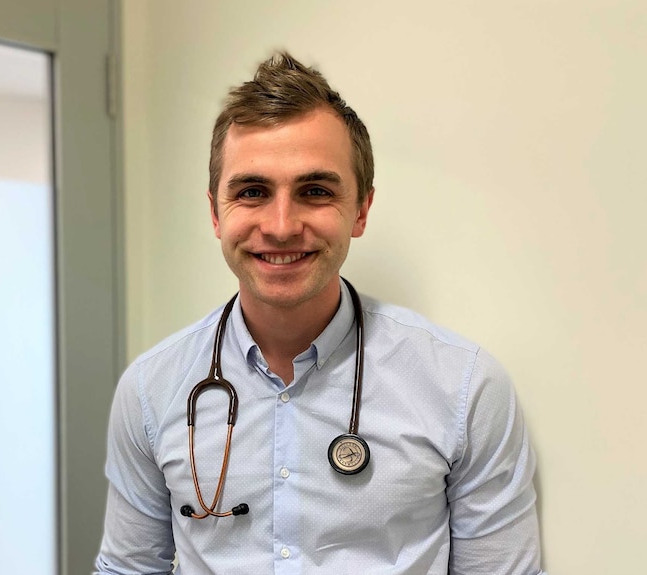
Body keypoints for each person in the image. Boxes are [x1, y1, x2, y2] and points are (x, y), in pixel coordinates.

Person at [95, 52, 546, 575]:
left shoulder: (465, 388)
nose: (282, 225)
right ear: (216, 213)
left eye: (314, 191)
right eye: (252, 191)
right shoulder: (151, 390)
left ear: (361, 210)